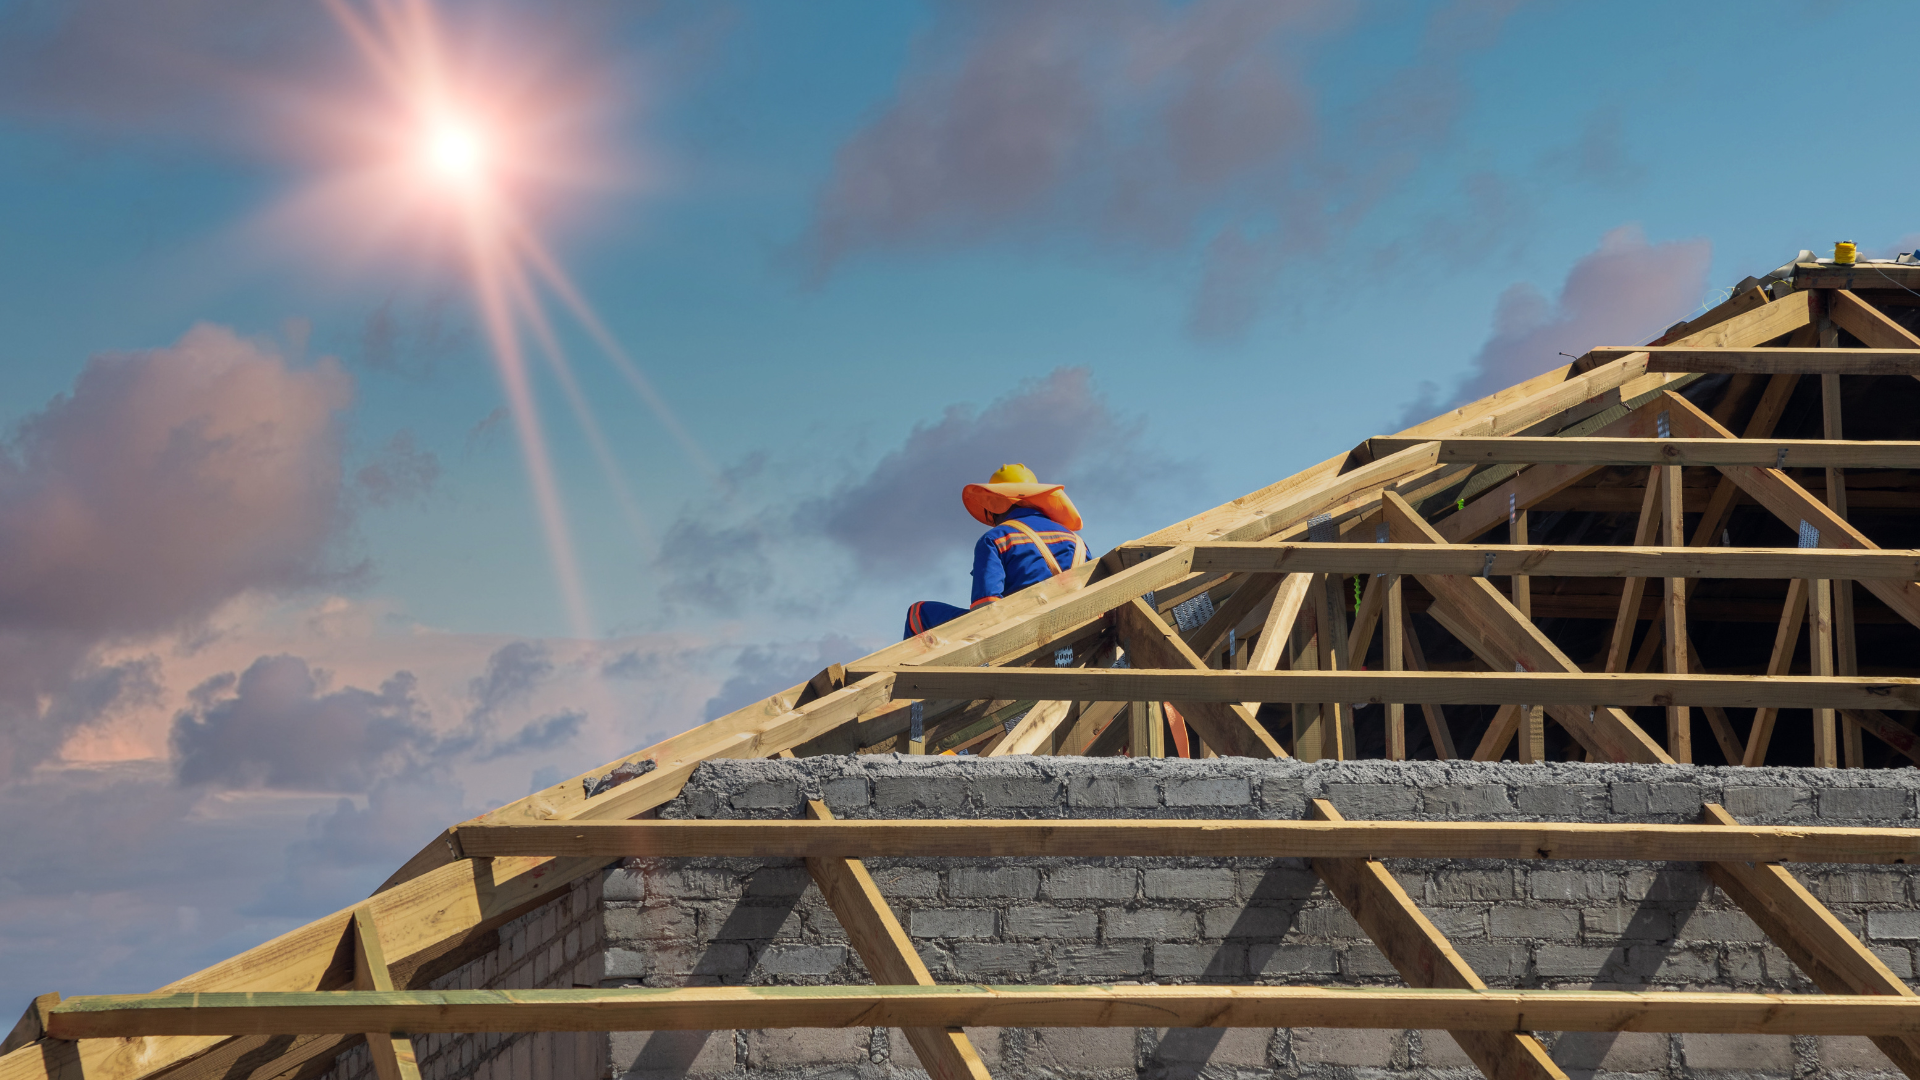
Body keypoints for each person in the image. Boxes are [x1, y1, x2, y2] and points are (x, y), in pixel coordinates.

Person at [903, 463, 1088, 639]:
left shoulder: (995, 539)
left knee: (918, 612)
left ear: (994, 505)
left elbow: (985, 611)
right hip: (1076, 632)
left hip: (1019, 635)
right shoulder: (1077, 541)